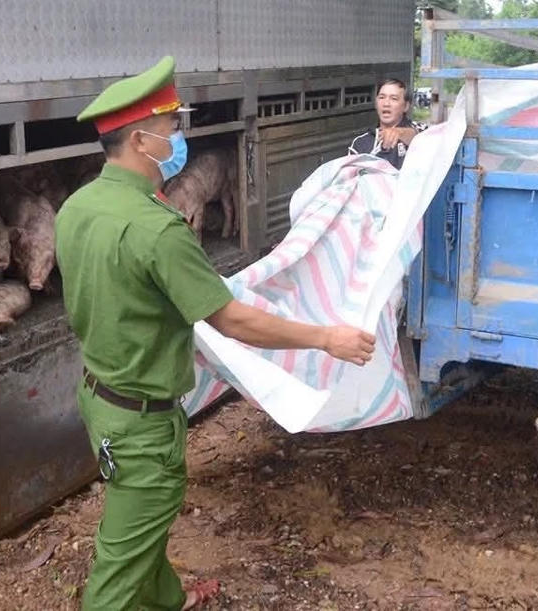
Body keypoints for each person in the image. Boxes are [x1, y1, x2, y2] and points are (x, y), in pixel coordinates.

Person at [54, 55, 375, 611]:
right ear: (140, 140)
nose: (181, 137)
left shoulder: (78, 207)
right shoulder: (157, 229)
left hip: (101, 397)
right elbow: (232, 320)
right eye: (173, 127)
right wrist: (326, 338)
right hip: (142, 422)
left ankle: (169, 599)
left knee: (142, 521)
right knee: (119, 561)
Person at [347, 78, 428, 169]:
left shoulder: (420, 131)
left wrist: (400, 133)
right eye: (381, 97)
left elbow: (428, 138)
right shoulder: (360, 143)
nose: (386, 103)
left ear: (406, 106)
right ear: (376, 103)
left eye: (394, 99)